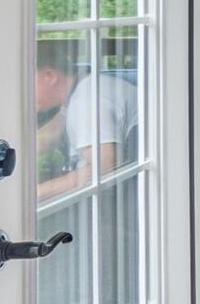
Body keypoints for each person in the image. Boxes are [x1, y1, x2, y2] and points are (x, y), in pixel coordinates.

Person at [36, 39, 139, 201]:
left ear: (50, 77)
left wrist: (37, 192)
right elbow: (51, 134)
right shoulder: (80, 89)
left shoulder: (86, 102)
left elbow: (105, 168)